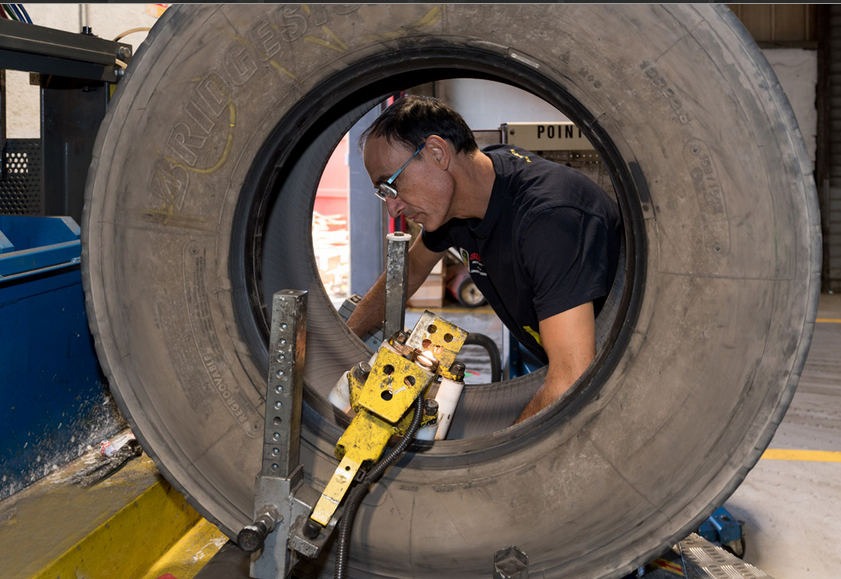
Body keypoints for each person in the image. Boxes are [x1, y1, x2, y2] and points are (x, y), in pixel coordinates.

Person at [347, 95, 622, 424]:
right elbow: (410, 271)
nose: (392, 207)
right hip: (549, 348)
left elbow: (571, 379)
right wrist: (346, 340)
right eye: (384, 194)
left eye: (392, 185)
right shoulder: (465, 192)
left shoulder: (549, 218)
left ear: (437, 152)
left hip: (615, 371)